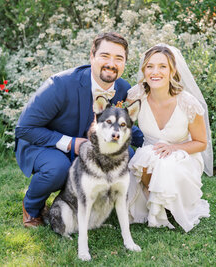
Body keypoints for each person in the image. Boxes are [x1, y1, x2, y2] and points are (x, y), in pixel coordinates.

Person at [15, 32, 143, 228]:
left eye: (119, 58)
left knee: (130, 155)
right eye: (105, 56)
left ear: (125, 62)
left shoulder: (123, 89)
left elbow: (127, 128)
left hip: (91, 149)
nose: (111, 63)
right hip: (46, 144)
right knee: (57, 169)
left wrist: (155, 148)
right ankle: (32, 207)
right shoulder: (59, 85)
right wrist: (71, 143)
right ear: (92, 56)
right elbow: (24, 128)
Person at [126, 44, 213, 232]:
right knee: (149, 156)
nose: (155, 72)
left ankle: (167, 203)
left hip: (183, 156)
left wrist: (174, 149)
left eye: (162, 66)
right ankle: (154, 198)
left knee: (165, 163)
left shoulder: (188, 103)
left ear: (173, 70)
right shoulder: (136, 95)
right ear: (144, 70)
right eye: (150, 66)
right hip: (149, 156)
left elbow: (201, 143)